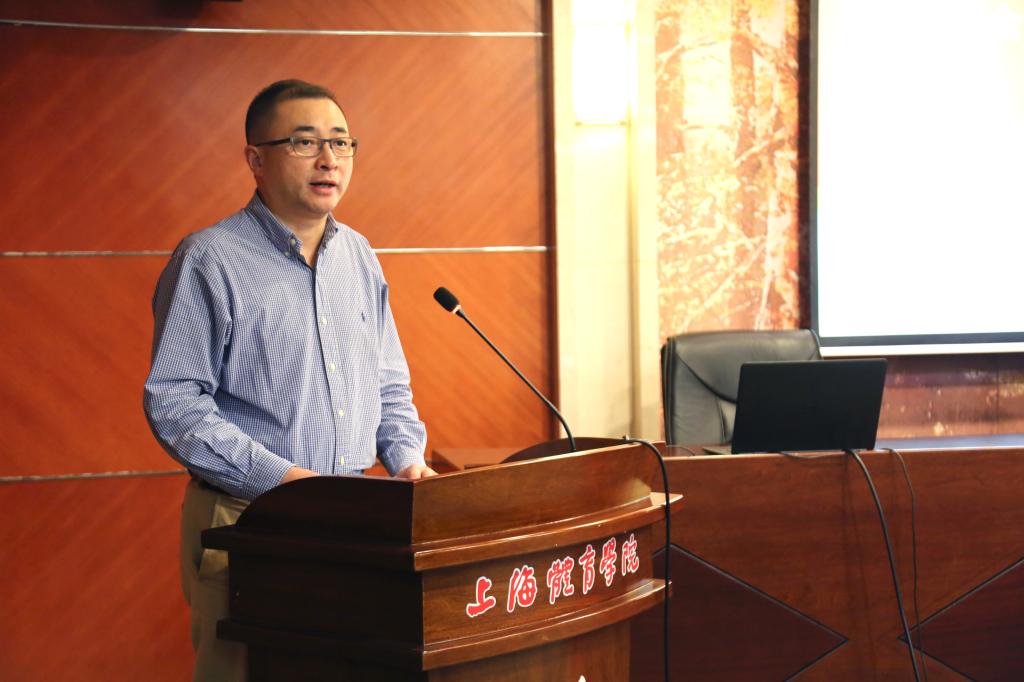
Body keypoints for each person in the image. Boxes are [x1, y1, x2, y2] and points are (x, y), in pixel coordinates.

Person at [143, 79, 435, 682]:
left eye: (341, 142)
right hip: (248, 517)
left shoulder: (359, 256)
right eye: (305, 142)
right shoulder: (210, 258)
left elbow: (388, 385)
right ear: (256, 159)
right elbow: (175, 404)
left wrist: (408, 461)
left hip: (354, 518)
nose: (329, 159)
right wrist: (285, 482)